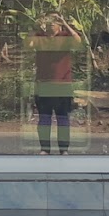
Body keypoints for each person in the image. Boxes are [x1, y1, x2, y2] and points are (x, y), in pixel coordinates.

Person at [28, 16, 84, 155]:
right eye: (48, 20)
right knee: (44, 119)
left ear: (59, 24)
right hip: (43, 85)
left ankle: (63, 149)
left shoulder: (65, 37)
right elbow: (29, 44)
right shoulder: (40, 37)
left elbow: (78, 41)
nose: (51, 23)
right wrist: (35, 26)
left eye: (54, 21)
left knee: (63, 118)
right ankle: (45, 149)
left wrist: (65, 23)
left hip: (62, 85)